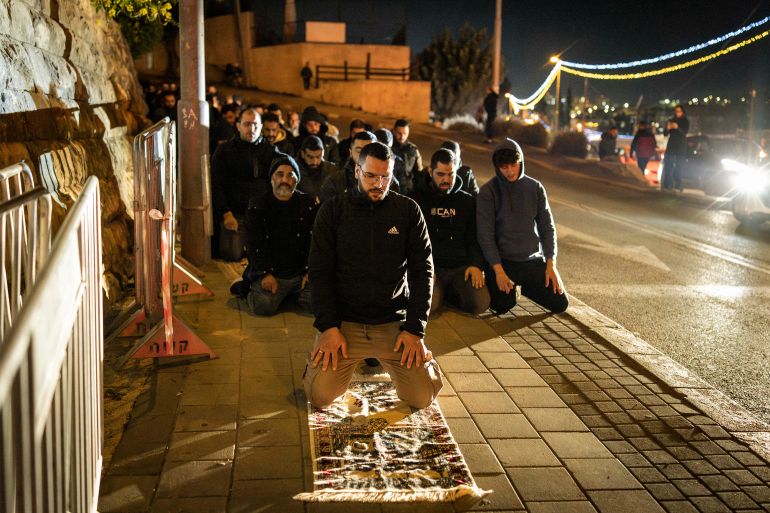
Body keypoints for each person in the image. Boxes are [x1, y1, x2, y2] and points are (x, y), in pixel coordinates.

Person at [304, 141, 442, 410]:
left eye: (385, 177)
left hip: (391, 323)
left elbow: (423, 272)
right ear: (357, 171)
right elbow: (319, 273)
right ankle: (319, 354)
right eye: (370, 176)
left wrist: (415, 329)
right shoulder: (333, 211)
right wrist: (328, 327)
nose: (379, 184)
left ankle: (422, 360)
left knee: (422, 398)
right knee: (319, 398)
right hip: (345, 324)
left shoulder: (407, 211)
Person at [477, 138, 568, 315]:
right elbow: (485, 235)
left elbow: (547, 227)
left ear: (521, 162)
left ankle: (525, 286)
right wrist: (498, 271)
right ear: (497, 167)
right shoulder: (488, 191)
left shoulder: (535, 188)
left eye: (514, 165)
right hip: (503, 262)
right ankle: (513, 289)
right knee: (502, 305)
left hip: (531, 261)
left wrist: (551, 265)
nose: (510, 171)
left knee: (560, 304)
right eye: (504, 167)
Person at [232, 155, 318, 315]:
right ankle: (248, 287)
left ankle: (288, 295)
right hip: (273, 274)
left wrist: (309, 270)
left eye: (290, 175)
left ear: (297, 180)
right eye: (279, 174)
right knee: (263, 306)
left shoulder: (309, 205)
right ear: (271, 178)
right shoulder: (258, 205)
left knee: (320, 303)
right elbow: (254, 245)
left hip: (300, 274)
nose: (285, 179)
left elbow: (315, 241)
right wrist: (265, 274)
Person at [410, 149, 489, 315]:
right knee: (428, 308)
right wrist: (420, 270)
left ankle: (447, 294)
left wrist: (476, 264)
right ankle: (439, 294)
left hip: (459, 268)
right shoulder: (416, 199)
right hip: (431, 267)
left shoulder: (467, 201)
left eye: (450, 174)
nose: (446, 179)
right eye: (440, 174)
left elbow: (474, 236)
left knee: (480, 304)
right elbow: (410, 239)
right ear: (430, 171)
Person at [211, 108, 279, 261]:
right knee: (232, 255)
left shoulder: (271, 151)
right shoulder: (225, 151)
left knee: (263, 258)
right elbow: (217, 184)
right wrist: (226, 213)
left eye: (255, 124)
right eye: (247, 124)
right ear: (238, 126)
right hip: (235, 215)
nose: (252, 129)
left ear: (261, 127)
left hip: (261, 216)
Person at [318, 130, 378, 202]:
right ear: (351, 153)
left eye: (369, 151)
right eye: (359, 151)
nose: (364, 155)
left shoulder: (386, 179)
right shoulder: (336, 181)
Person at [297, 135, 338, 202]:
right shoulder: (293, 169)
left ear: (323, 153)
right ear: (302, 154)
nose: (314, 162)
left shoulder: (332, 170)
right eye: (310, 157)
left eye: (318, 157)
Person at [374, 128, 411, 194]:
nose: (383, 152)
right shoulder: (366, 158)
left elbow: (403, 187)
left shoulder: (398, 162)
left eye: (387, 148)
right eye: (380, 147)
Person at [663, 104, 690, 191]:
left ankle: (678, 185)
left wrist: (677, 127)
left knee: (678, 167)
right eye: (676, 111)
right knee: (668, 165)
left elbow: (684, 132)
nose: (677, 113)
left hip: (680, 146)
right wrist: (667, 128)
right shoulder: (671, 120)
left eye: (679, 111)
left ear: (682, 112)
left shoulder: (685, 121)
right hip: (671, 146)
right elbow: (665, 134)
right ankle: (668, 185)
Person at [392, 119, 423, 191]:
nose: (402, 136)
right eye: (399, 133)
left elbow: (418, 172)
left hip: (408, 188)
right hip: (392, 187)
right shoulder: (389, 147)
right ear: (394, 131)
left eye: (405, 133)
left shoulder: (413, 149)